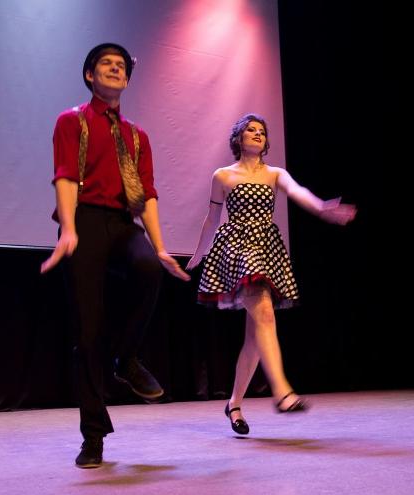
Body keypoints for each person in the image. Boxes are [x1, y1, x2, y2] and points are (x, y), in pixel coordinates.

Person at [41, 43, 190, 468]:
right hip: (84, 220)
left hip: (122, 222)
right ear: (90, 75)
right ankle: (93, 437)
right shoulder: (72, 121)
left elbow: (146, 194)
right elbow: (65, 175)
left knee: (148, 267)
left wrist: (160, 247)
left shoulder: (137, 136)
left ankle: (126, 358)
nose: (114, 69)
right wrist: (69, 227)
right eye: (105, 64)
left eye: (121, 65)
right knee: (87, 335)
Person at [186, 113, 356, 435]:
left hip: (267, 247)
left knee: (254, 337)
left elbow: (299, 192)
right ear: (238, 139)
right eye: (250, 130)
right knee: (264, 314)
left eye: (261, 131)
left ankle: (234, 403)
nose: (257, 134)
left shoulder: (275, 174)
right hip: (238, 248)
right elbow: (212, 219)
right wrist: (199, 252)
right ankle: (282, 392)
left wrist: (322, 208)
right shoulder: (223, 176)